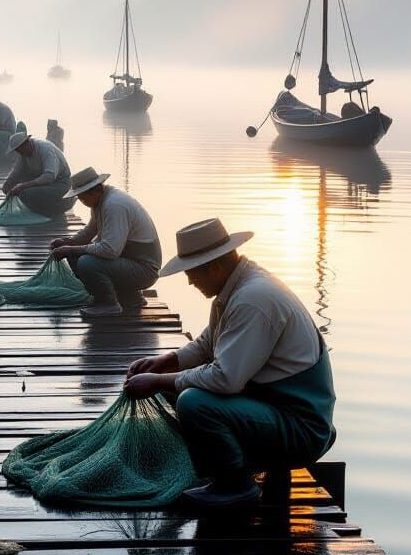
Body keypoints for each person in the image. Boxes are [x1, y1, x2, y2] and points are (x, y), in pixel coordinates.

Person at [124, 217, 337, 509]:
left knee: (193, 403)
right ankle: (234, 466)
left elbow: (226, 378)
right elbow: (208, 344)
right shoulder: (237, 288)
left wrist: (159, 381)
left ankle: (235, 485)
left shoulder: (252, 299)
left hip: (301, 427)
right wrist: (166, 362)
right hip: (278, 408)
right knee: (178, 385)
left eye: (192, 273)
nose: (189, 281)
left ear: (215, 266)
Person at [49, 166, 161, 319]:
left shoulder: (114, 205)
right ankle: (130, 297)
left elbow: (110, 250)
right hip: (130, 262)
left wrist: (72, 249)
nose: (81, 201)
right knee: (74, 254)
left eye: (82, 197)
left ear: (94, 191)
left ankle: (108, 303)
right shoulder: (100, 202)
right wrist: (67, 242)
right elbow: (89, 232)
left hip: (144, 269)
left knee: (87, 263)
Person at [2, 131, 74, 217]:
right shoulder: (23, 154)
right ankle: (38, 209)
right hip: (44, 184)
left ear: (27, 143)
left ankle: (47, 210)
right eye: (18, 151)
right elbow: (16, 172)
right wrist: (8, 184)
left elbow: (49, 177)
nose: (20, 153)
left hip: (61, 185)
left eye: (20, 149)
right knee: (21, 187)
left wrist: (22, 186)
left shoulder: (45, 149)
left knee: (25, 192)